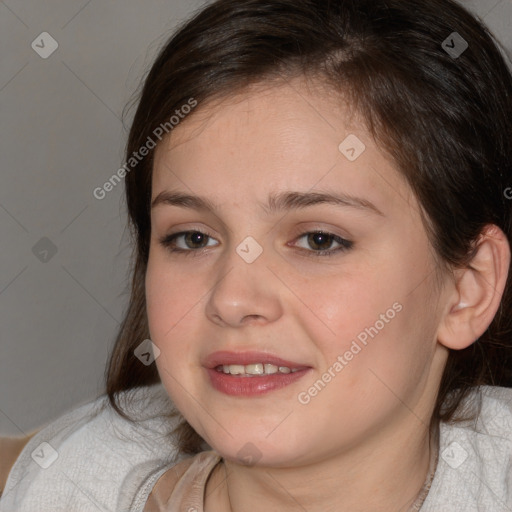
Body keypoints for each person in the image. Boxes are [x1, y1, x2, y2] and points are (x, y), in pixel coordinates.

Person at [2, 0, 512, 510]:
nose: (232, 299)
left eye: (318, 239)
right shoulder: (66, 484)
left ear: (468, 287)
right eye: (193, 238)